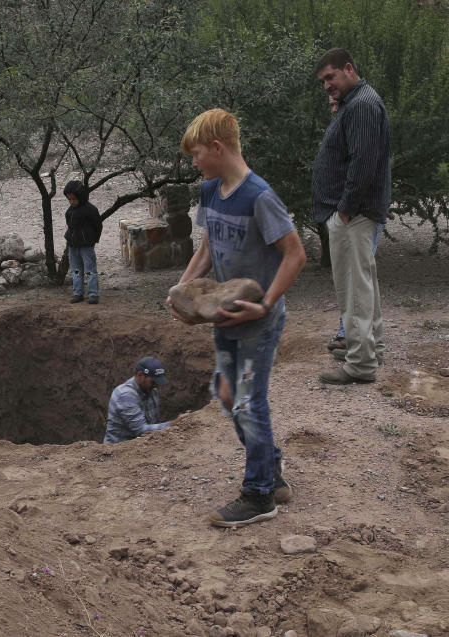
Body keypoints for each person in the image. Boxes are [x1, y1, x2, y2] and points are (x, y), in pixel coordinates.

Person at [170, 108, 306, 528]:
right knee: (228, 395)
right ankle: (273, 471)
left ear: (217, 147)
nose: (193, 162)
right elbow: (208, 250)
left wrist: (265, 304)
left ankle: (259, 495)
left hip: (258, 321)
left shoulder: (259, 196)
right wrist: (181, 291)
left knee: (248, 401)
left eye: (196, 154)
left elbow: (296, 254)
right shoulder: (211, 192)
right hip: (224, 318)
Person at [313, 48, 390, 384]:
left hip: (353, 214)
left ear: (349, 69)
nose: (327, 86)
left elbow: (362, 163)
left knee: (354, 288)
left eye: (330, 77)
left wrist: (344, 208)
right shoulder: (356, 103)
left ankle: (360, 365)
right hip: (355, 213)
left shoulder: (361, 106)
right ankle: (369, 349)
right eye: (323, 82)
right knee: (364, 282)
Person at [103, 357, 170, 444]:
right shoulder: (125, 395)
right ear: (140, 375)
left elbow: (154, 424)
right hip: (117, 451)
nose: (156, 386)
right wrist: (173, 425)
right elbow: (141, 430)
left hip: (141, 447)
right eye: (153, 382)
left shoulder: (152, 392)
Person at [64, 180, 103, 304]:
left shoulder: (90, 210)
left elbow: (98, 226)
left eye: (74, 199)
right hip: (73, 246)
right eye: (69, 199)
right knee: (76, 270)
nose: (71, 202)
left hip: (86, 246)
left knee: (90, 269)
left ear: (81, 196)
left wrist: (93, 240)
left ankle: (93, 294)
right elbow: (70, 226)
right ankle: (78, 293)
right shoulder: (70, 211)